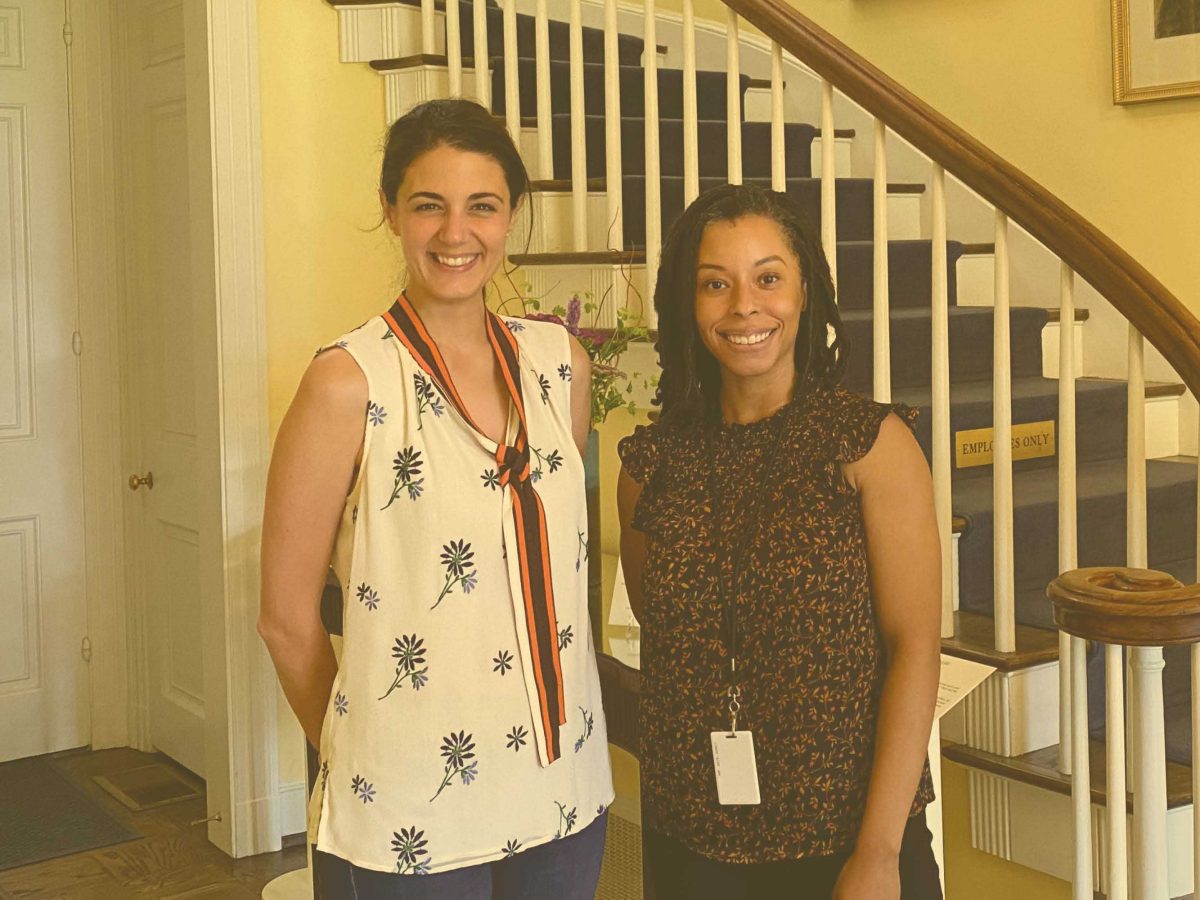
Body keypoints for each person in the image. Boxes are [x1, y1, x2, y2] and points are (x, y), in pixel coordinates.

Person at [258, 98, 613, 899]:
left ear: (511, 215)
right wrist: (369, 750)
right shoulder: (347, 383)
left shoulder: (560, 364)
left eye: (481, 206)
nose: (456, 234)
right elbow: (284, 620)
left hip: (562, 785)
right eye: (429, 205)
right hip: (408, 809)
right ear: (391, 212)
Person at [617, 184, 942, 899]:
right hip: (690, 841)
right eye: (715, 284)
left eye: (768, 278)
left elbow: (915, 647)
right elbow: (667, 639)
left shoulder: (869, 446)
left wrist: (879, 854)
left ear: (806, 294)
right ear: (686, 302)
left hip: (845, 837)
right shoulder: (650, 468)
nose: (744, 307)